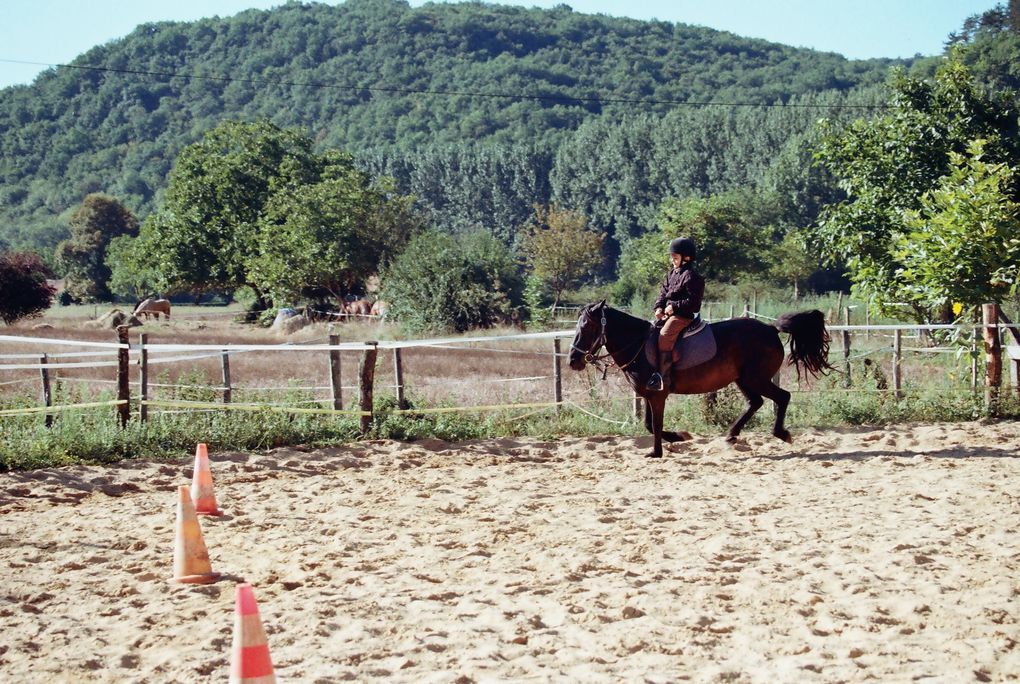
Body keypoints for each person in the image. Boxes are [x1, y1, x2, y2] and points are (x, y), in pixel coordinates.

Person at [647, 237, 705, 392]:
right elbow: (663, 293)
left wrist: (673, 306)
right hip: (669, 315)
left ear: (686, 258)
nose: (672, 260)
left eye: (675, 257)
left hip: (683, 317)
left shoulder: (692, 276)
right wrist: (658, 307)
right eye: (672, 257)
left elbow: (694, 303)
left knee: (664, 335)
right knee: (649, 332)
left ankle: (663, 378)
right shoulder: (671, 274)